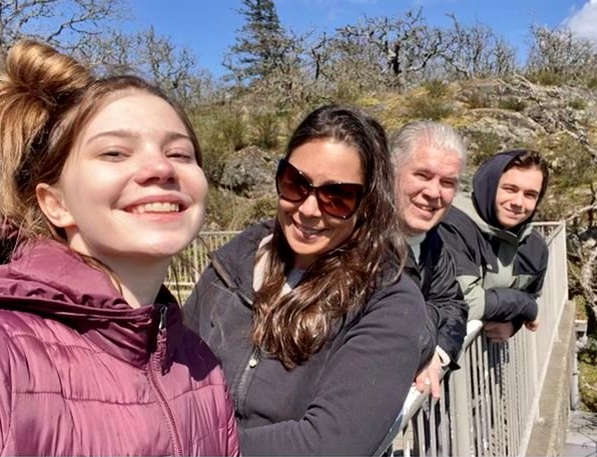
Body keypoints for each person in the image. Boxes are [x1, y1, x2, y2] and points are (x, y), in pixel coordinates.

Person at [0, 40, 238, 456]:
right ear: (55, 202)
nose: (161, 168)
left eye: (180, 152)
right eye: (114, 152)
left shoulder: (199, 364)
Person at [184, 104, 434, 456]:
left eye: (338, 197)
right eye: (296, 183)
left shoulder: (387, 301)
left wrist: (180, 445)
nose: (309, 209)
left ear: (367, 204)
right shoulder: (234, 263)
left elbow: (331, 445)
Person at [390, 120, 468, 398]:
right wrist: (426, 331)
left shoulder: (434, 242)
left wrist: (438, 353)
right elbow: (389, 321)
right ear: (391, 173)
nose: (434, 193)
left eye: (447, 183)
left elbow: (453, 303)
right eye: (422, 175)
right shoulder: (359, 238)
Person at [441, 149, 550, 343]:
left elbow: (531, 293)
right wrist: (525, 306)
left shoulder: (535, 247)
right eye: (510, 189)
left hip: (489, 364)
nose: (518, 202)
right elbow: (464, 301)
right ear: (489, 186)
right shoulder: (452, 225)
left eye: (530, 194)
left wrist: (512, 324)